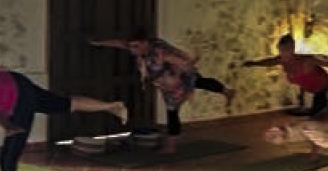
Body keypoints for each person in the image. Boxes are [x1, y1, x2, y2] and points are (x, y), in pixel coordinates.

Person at [91, 32, 235, 152]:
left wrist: (183, 75)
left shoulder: (160, 53)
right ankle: (226, 91)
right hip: (166, 80)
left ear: (146, 43)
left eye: (136, 46)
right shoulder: (139, 48)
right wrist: (100, 43)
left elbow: (184, 64)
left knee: (173, 110)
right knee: (199, 84)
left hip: (178, 79)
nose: (133, 50)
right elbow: (120, 43)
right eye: (131, 47)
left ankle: (171, 145)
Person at [241, 33, 328, 116]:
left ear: (293, 49)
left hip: (327, 90)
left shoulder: (305, 61)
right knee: (315, 115)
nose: (284, 53)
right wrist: (253, 63)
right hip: (316, 92)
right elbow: (268, 62)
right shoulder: (281, 60)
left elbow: (327, 62)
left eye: (287, 49)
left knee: (319, 117)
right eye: (282, 50)